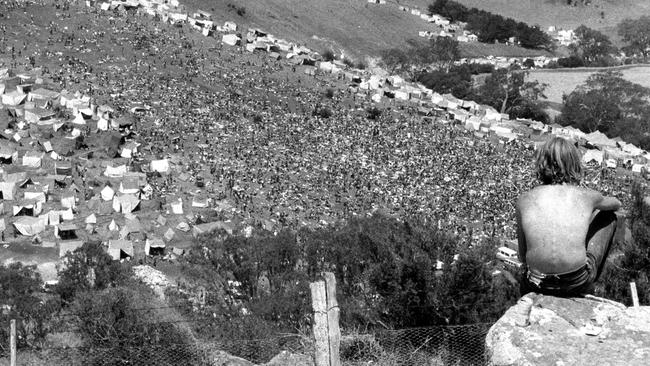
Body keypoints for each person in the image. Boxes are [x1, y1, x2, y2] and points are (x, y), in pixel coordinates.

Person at [517, 137, 622, 296]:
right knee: (609, 216)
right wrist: (591, 209)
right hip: (575, 283)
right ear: (573, 163)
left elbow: (522, 254)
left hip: (535, 284)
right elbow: (616, 204)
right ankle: (591, 282)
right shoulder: (587, 196)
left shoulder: (524, 200)